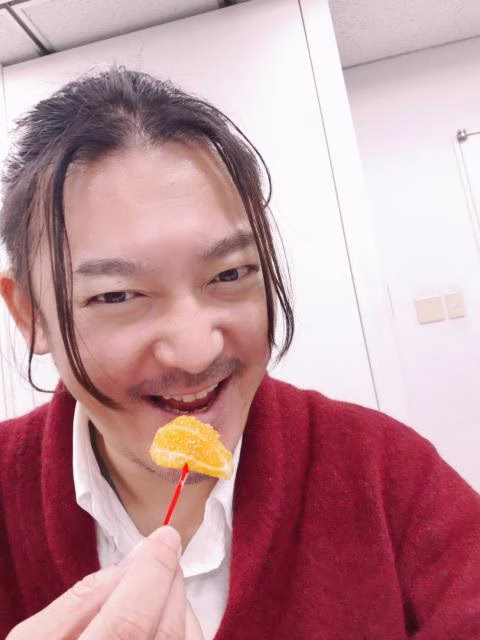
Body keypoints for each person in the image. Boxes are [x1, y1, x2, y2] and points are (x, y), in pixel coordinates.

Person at [0, 67, 479, 640]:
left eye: (230, 274)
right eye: (117, 295)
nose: (196, 351)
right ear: (30, 315)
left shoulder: (387, 474)